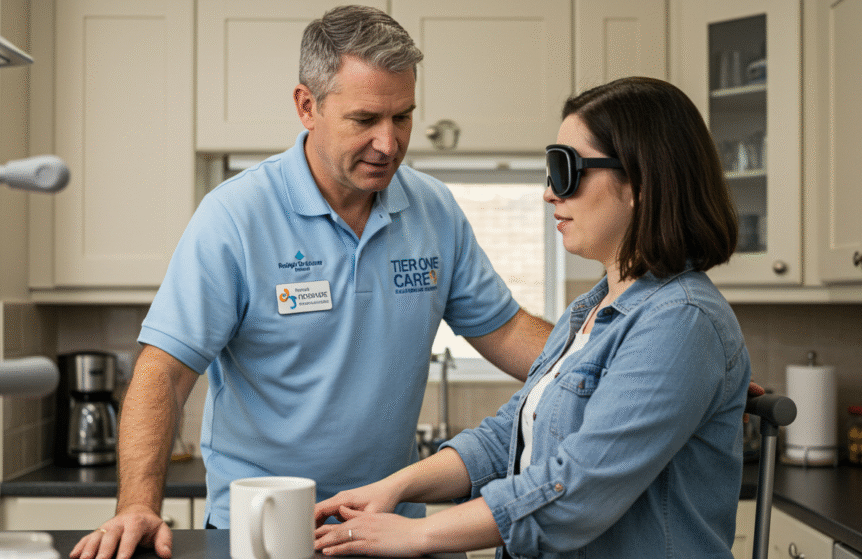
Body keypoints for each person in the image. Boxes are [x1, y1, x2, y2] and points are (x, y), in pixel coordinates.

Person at [69, 6, 553, 559]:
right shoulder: (237, 215)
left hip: (386, 529)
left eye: (402, 118)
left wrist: (603, 360)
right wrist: (137, 504)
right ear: (307, 106)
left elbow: (509, 333)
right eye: (365, 119)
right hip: (264, 528)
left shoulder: (432, 210)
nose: (388, 143)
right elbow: (164, 373)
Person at [313, 76, 755, 559]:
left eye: (565, 170)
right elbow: (508, 438)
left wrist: (415, 534)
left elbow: (576, 493)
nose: (549, 193)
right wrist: (395, 488)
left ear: (641, 183)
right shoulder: (592, 310)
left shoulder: (682, 322)